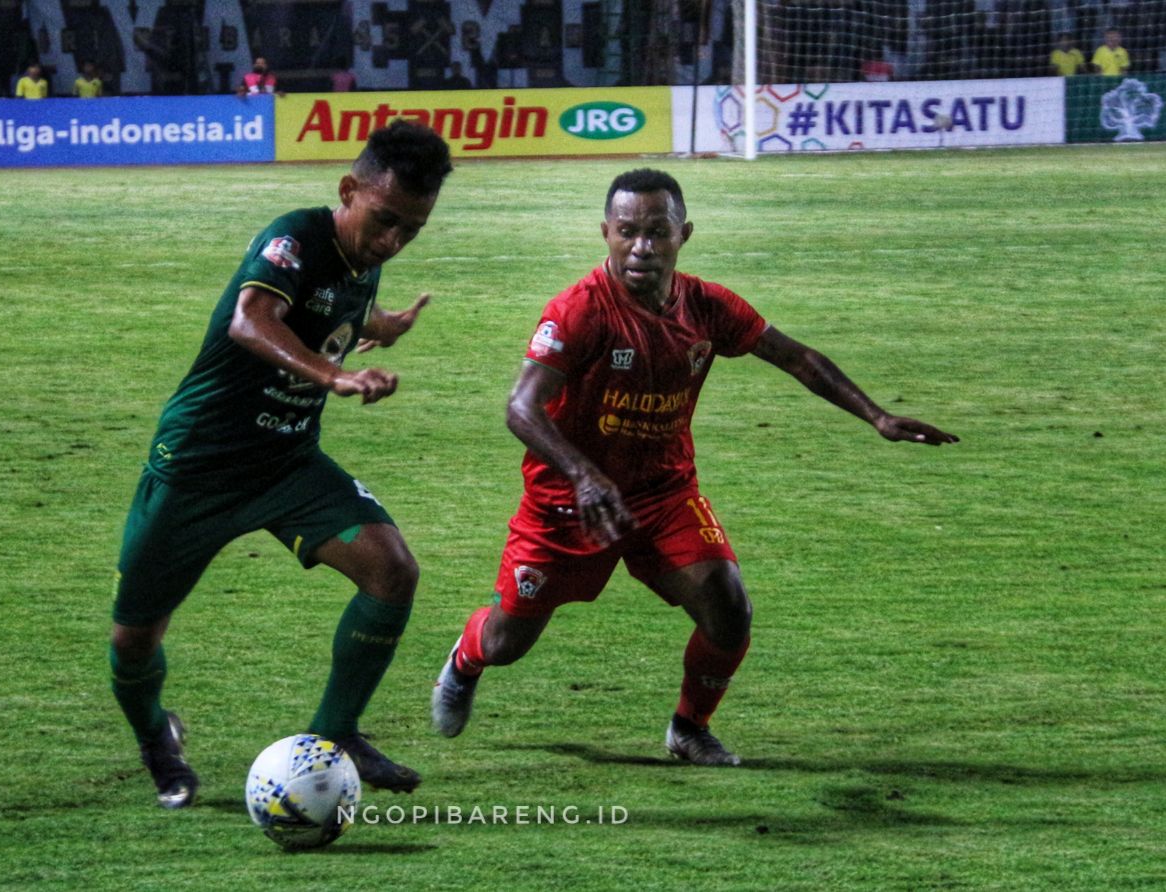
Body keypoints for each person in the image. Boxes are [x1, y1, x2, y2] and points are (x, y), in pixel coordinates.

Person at [431, 169, 958, 766]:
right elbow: (521, 407)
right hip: (567, 504)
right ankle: (466, 660)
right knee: (508, 642)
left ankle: (688, 729)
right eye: (627, 231)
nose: (641, 247)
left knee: (728, 607)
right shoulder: (579, 311)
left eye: (658, 232)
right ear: (605, 232)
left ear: (684, 234)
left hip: (662, 494)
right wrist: (583, 475)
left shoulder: (706, 306)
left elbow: (795, 357)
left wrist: (877, 416)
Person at [110, 120, 453, 808]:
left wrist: (384, 324)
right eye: (384, 221)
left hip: (287, 464)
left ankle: (336, 735)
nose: (392, 240)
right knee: (134, 638)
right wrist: (334, 376)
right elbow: (252, 319)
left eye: (410, 230)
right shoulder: (294, 237)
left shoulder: (364, 258)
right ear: (348, 189)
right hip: (198, 466)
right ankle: (156, 735)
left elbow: (343, 310)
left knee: (392, 570)